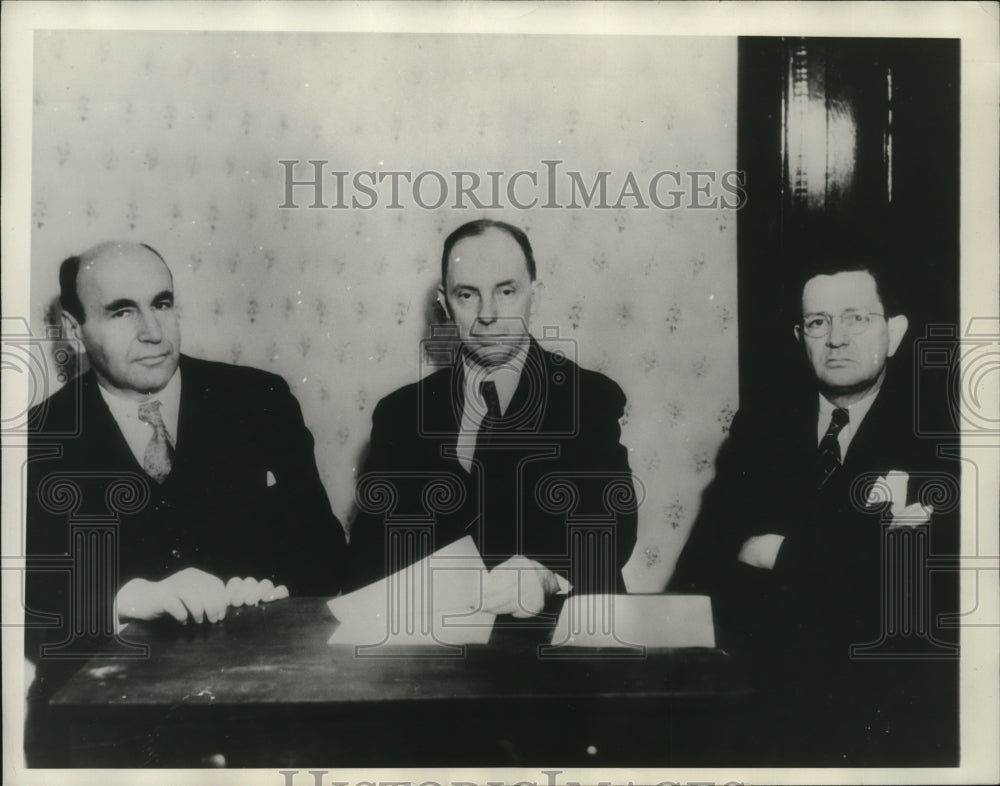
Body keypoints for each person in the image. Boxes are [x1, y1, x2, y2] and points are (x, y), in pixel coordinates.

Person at [24, 241, 347, 763]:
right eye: (122, 311)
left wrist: (273, 593)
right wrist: (127, 598)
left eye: (163, 303)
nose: (152, 331)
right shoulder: (37, 440)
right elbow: (29, 607)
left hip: (259, 705)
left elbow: (327, 551)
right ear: (71, 329)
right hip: (109, 727)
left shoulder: (259, 400)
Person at [670, 247, 959, 764]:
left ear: (893, 332)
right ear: (800, 339)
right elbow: (706, 562)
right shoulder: (762, 426)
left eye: (856, 318)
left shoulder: (939, 434)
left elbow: (913, 590)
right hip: (765, 695)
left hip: (889, 709)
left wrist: (780, 555)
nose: (837, 338)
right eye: (818, 322)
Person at [346, 220, 638, 618]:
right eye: (467, 294)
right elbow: (369, 558)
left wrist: (546, 574)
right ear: (444, 303)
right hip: (436, 651)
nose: (488, 314)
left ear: (534, 296)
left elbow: (612, 529)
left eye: (506, 291)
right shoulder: (399, 414)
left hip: (560, 644)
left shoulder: (589, 397)